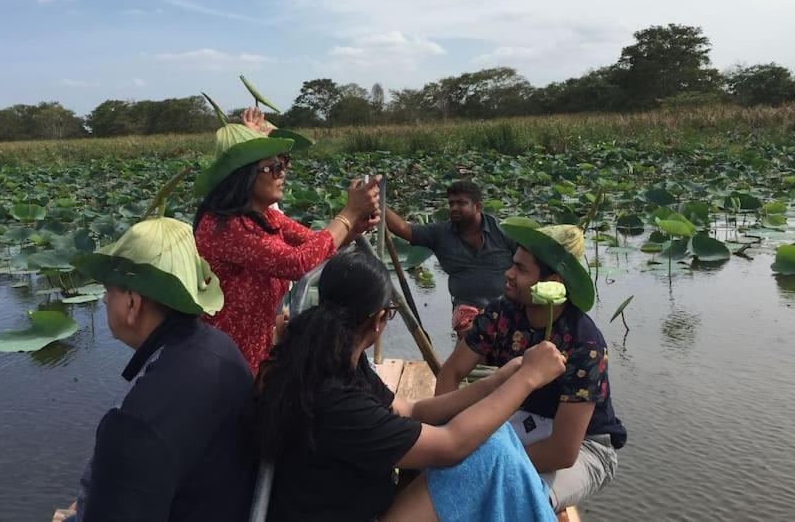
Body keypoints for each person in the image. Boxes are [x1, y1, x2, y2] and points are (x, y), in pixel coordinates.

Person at [255, 250, 568, 522]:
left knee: (495, 438)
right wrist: (528, 380)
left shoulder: (331, 358)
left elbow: (412, 410)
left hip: (350, 501)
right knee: (490, 453)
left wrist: (498, 381)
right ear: (379, 319)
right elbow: (451, 444)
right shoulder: (337, 400)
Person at [69, 213, 256, 522]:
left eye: (109, 290)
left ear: (132, 303)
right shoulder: (222, 348)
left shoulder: (133, 424)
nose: (103, 300)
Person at [435, 224, 627, 512]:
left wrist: (486, 464)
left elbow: (563, 451)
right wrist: (442, 438)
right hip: (525, 419)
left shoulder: (584, 343)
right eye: (513, 265)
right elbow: (451, 373)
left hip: (584, 446)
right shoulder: (502, 313)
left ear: (554, 282)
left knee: (518, 501)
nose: (509, 275)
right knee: (444, 475)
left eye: (521, 271)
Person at [192, 135, 380, 373]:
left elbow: (314, 245)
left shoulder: (265, 217)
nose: (282, 173)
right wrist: (349, 212)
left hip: (253, 354)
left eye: (284, 163)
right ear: (245, 177)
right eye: (274, 167)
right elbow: (297, 262)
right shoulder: (226, 227)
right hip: (223, 362)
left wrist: (353, 229)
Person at [385, 180, 518, 338]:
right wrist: (377, 204)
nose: (454, 208)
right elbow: (404, 229)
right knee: (471, 347)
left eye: (461, 203)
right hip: (466, 312)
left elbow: (528, 266)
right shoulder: (440, 234)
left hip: (506, 308)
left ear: (478, 206)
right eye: (451, 203)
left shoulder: (504, 231)